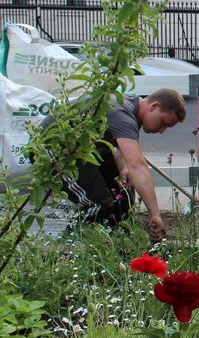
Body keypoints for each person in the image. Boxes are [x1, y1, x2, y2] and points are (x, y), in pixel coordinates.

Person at [57, 88, 186, 241]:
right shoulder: (123, 114)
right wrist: (155, 214)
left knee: (122, 197)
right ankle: (70, 245)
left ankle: (117, 242)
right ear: (154, 106)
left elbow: (114, 143)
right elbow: (137, 165)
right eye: (163, 123)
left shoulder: (132, 107)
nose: (162, 131)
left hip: (85, 151)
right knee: (99, 204)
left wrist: (122, 164)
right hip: (58, 150)